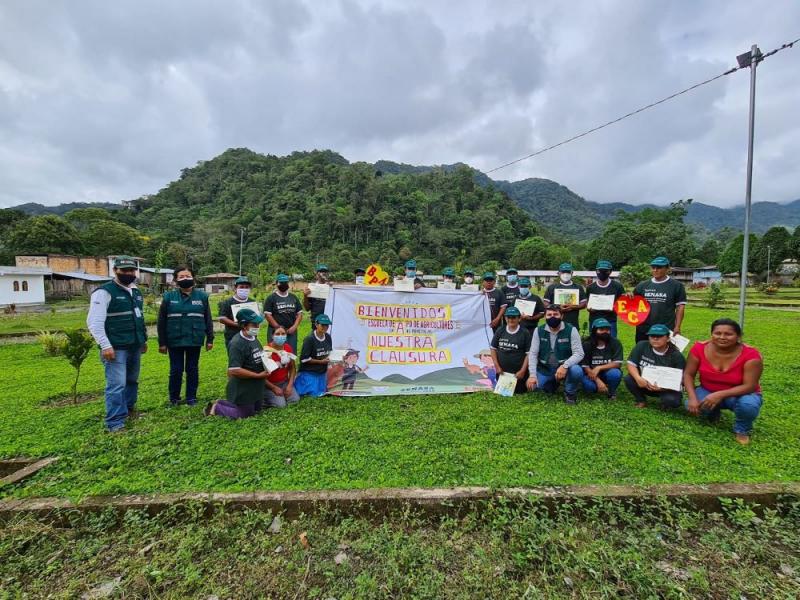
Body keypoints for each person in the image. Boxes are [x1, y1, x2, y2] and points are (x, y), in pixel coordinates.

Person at [86, 255, 148, 432]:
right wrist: (105, 345)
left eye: (131, 270)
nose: (129, 273)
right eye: (124, 270)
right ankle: (114, 422)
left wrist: (142, 340)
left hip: (134, 345)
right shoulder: (104, 292)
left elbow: (139, 318)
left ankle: (129, 410)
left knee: (131, 381)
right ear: (115, 271)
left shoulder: (135, 291)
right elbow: (94, 323)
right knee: (116, 385)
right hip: (116, 347)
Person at [683, 318, 763, 445]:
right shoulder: (699, 348)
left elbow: (750, 386)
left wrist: (719, 395)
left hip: (740, 394)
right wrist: (692, 398)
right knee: (690, 405)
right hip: (708, 390)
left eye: (728, 334)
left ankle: (742, 430)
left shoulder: (750, 355)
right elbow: (688, 374)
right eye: (717, 333)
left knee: (748, 405)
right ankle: (714, 412)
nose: (722, 337)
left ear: (738, 336)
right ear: (711, 334)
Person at [156, 266, 214, 406]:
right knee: (176, 370)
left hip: (194, 339)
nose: (185, 279)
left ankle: (191, 397)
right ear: (176, 280)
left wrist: (210, 339)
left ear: (193, 278)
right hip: (174, 340)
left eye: (187, 276)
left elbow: (208, 319)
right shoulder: (168, 297)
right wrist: (162, 343)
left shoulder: (202, 297)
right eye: (181, 277)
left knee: (192, 369)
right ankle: (174, 398)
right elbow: (161, 321)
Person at [205, 308, 267, 419]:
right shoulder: (237, 344)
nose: (257, 327)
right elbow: (235, 370)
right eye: (254, 324)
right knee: (245, 414)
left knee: (257, 409)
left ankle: (222, 402)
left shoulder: (253, 338)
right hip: (243, 386)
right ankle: (217, 408)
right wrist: (257, 375)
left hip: (255, 385)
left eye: (258, 324)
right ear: (244, 325)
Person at [526, 305, 585, 404]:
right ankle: (554, 382)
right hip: (546, 368)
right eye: (549, 315)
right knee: (537, 387)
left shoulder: (571, 329)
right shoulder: (538, 330)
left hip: (565, 367)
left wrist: (565, 366)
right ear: (545, 317)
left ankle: (570, 392)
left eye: (555, 314)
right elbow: (533, 354)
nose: (552, 317)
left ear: (562, 316)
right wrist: (532, 375)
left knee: (576, 371)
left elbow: (579, 353)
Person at [624, 324, 685, 409]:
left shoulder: (677, 356)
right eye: (652, 336)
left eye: (659, 336)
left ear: (668, 338)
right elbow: (631, 364)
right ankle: (641, 400)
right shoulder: (642, 345)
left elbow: (680, 380)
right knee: (629, 379)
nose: (655, 339)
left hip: (665, 388)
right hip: (644, 383)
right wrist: (638, 378)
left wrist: (662, 388)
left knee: (672, 400)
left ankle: (665, 403)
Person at [633, 256, 687, 342]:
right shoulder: (642, 285)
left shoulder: (677, 286)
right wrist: (627, 296)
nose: (655, 270)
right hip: (643, 329)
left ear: (667, 269)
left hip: (665, 329)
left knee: (663, 353)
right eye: (653, 267)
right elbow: (633, 302)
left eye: (659, 267)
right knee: (643, 352)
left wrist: (677, 326)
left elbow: (680, 307)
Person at [490, 306, 532, 394]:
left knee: (519, 392)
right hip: (502, 373)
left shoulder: (525, 333)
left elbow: (529, 354)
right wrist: (497, 366)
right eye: (508, 317)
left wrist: (522, 371)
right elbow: (493, 349)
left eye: (513, 317)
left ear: (519, 318)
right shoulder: (500, 330)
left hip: (518, 374)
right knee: (502, 393)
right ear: (505, 318)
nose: (510, 320)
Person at [580, 318, 623, 399]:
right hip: (590, 374)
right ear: (594, 330)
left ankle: (611, 392)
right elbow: (585, 365)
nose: (605, 332)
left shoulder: (615, 343)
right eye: (601, 329)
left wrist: (599, 367)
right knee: (589, 387)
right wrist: (597, 380)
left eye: (607, 329)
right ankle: (600, 387)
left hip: (607, 372)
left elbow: (617, 363)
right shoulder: (587, 344)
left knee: (615, 373)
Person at [294, 313, 333, 397]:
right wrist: (321, 362)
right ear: (316, 324)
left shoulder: (328, 337)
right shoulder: (309, 339)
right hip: (310, 372)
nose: (325, 327)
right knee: (312, 394)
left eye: (327, 325)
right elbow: (304, 359)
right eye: (322, 325)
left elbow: (330, 352)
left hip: (322, 372)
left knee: (323, 392)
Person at [586, 260, 625, 338]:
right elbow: (587, 303)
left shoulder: (618, 286)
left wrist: (614, 308)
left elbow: (622, 305)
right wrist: (589, 309)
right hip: (594, 320)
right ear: (596, 271)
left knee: (611, 343)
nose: (602, 273)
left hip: (610, 321)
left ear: (610, 272)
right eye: (600, 271)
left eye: (605, 271)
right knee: (594, 343)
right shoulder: (590, 287)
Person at [264, 274, 303, 352]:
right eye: (281, 283)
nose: (283, 285)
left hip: (291, 331)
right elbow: (268, 315)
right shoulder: (271, 298)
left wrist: (294, 327)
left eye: (285, 283)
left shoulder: (293, 297)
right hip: (276, 331)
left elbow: (299, 313)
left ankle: (291, 364)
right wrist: (278, 328)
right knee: (275, 352)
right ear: (276, 283)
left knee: (291, 352)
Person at [262, 326, 300, 408]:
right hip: (270, 385)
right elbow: (262, 376)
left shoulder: (288, 348)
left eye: (283, 334)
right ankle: (263, 399)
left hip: (284, 382)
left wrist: (290, 385)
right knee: (281, 405)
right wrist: (273, 388)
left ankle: (279, 396)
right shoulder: (266, 351)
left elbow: (292, 368)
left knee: (295, 400)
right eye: (277, 334)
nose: (280, 336)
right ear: (272, 336)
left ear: (286, 336)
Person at [544, 263, 587, 329]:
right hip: (555, 322)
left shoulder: (578, 287)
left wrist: (572, 307)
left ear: (572, 273)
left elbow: (584, 304)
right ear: (559, 273)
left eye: (568, 272)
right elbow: (545, 303)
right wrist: (557, 308)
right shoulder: (552, 287)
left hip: (573, 322)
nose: (565, 274)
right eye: (563, 272)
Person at [218, 276, 255, 348]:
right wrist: (238, 324)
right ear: (235, 288)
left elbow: (256, 318)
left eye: (246, 287)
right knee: (235, 358)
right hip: (233, 337)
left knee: (250, 358)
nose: (244, 289)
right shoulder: (227, 302)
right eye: (241, 287)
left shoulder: (252, 302)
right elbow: (222, 318)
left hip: (250, 336)